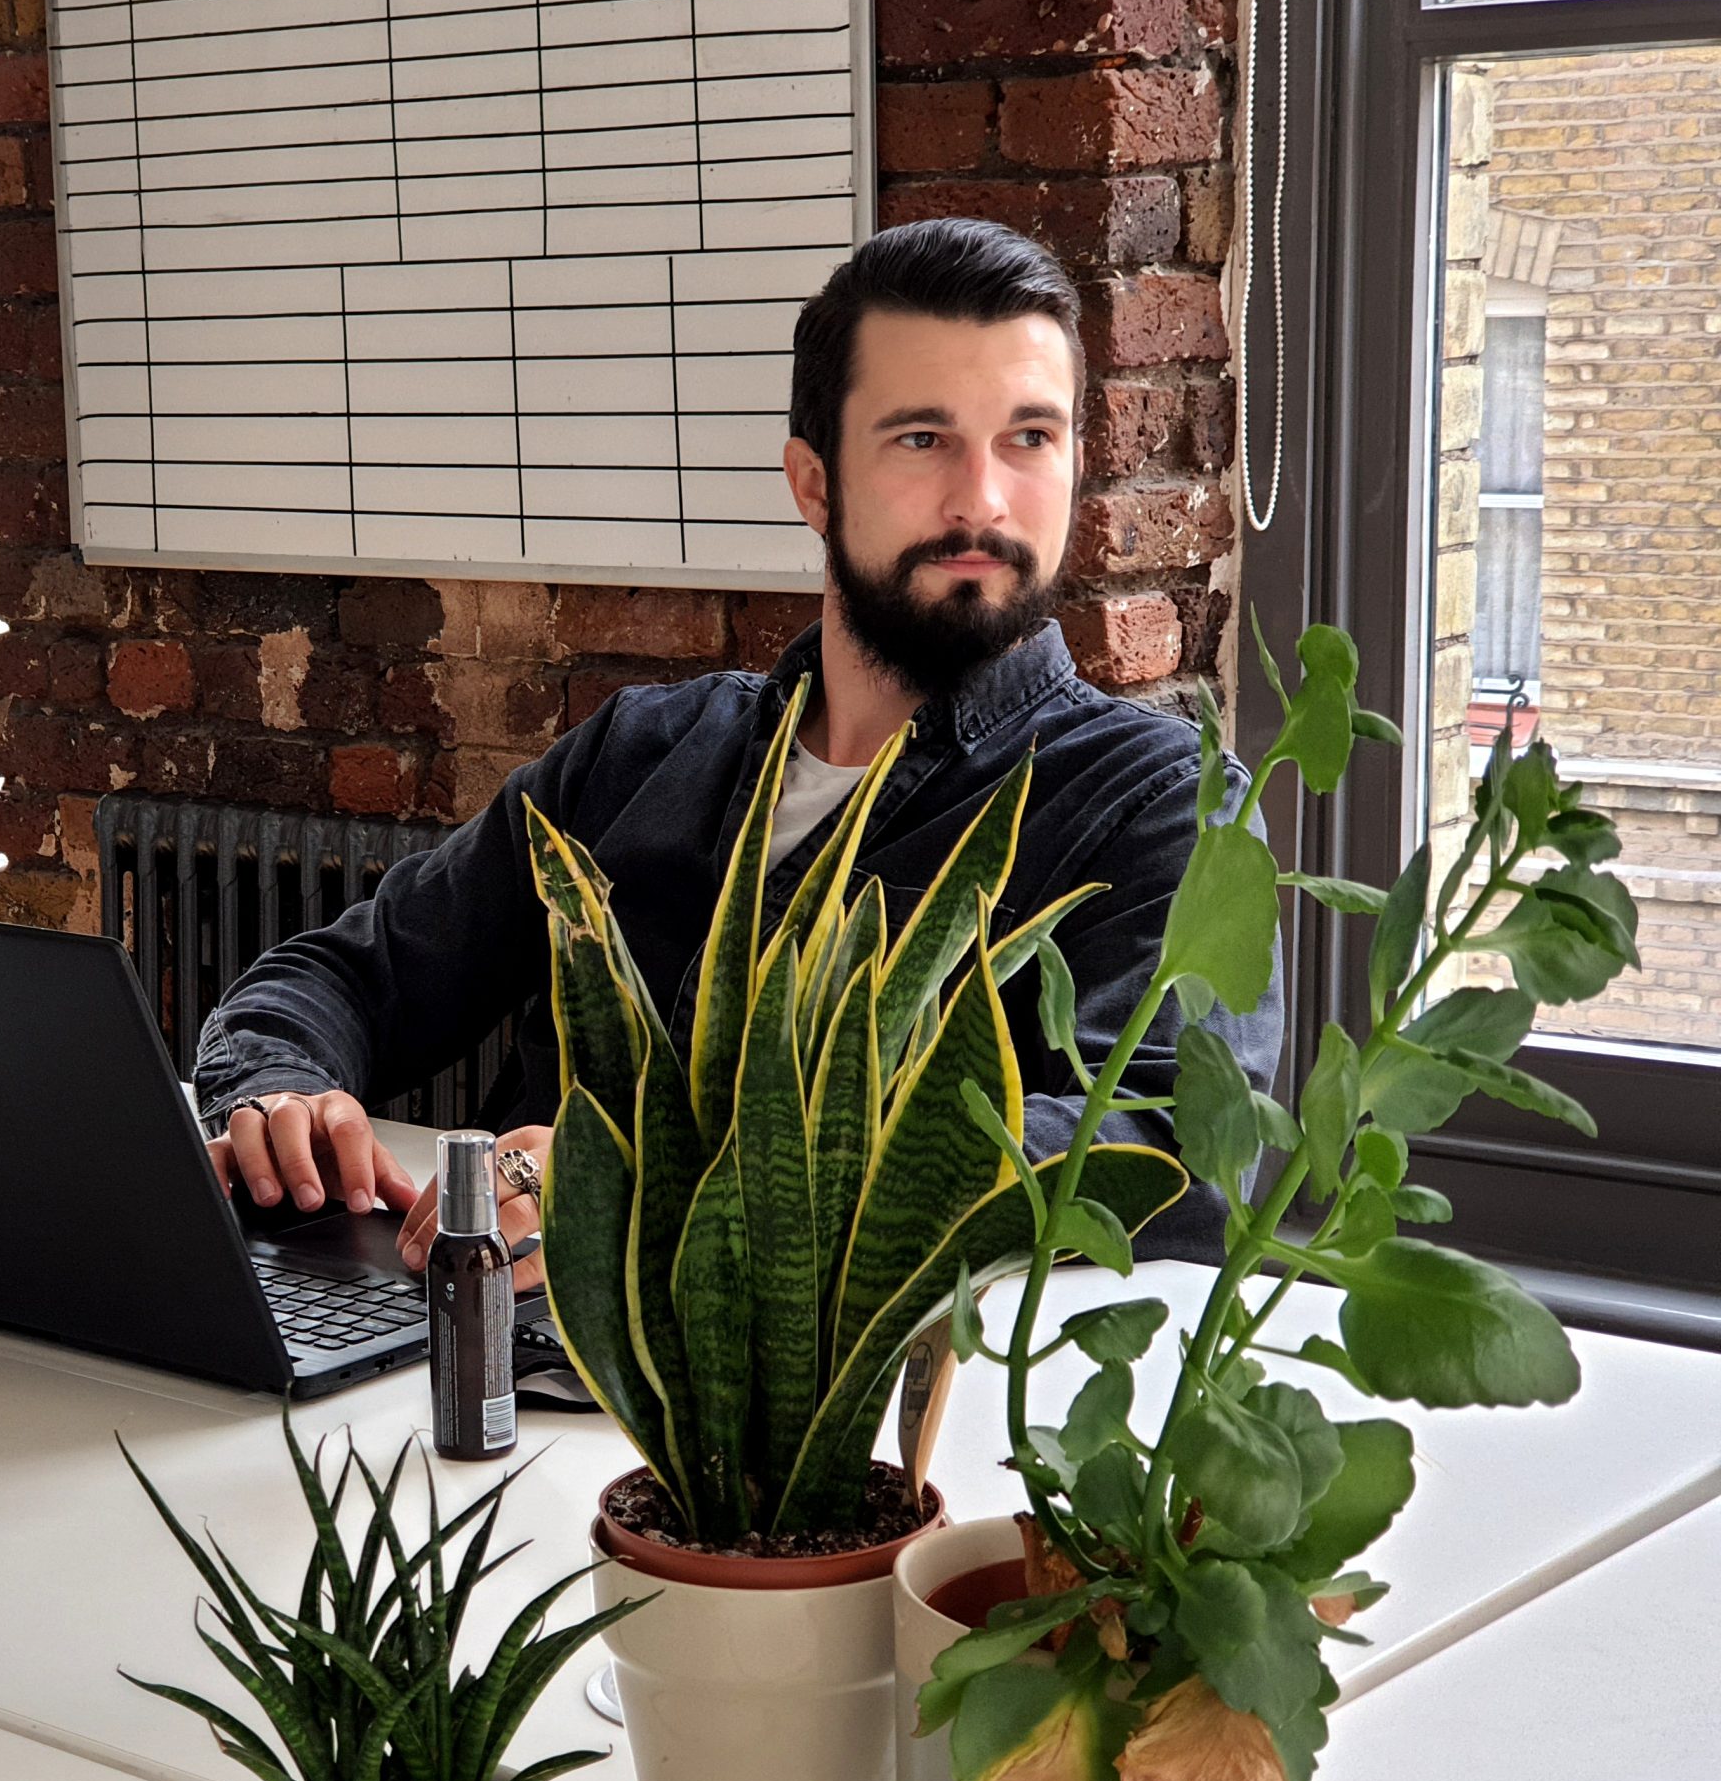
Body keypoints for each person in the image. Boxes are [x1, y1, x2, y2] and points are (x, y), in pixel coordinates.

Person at [196, 217, 1282, 1282]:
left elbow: (1169, 1159)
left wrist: (659, 1183)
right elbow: (350, 974)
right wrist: (275, 1094)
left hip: (857, 1423)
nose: (982, 499)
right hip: (483, 1355)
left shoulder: (1161, 806)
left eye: (1029, 439)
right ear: (813, 484)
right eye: (922, 439)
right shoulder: (642, 752)